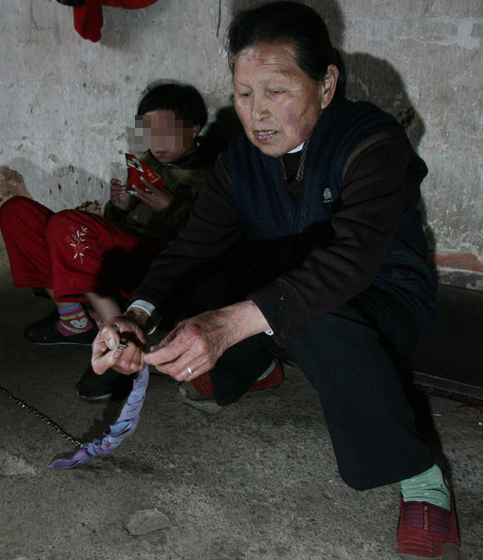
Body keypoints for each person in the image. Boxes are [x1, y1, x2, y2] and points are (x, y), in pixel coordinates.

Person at [90, 2, 459, 559]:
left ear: (327, 83)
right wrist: (136, 315)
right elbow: (193, 244)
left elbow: (351, 263)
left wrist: (228, 324)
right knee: (204, 284)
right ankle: (253, 362)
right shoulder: (241, 159)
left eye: (277, 91)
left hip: (381, 299)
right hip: (284, 286)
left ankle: (420, 472)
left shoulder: (373, 143)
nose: (258, 113)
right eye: (243, 94)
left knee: (308, 317)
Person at [0, 82, 214, 401]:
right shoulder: (148, 163)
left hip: (162, 264)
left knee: (66, 223)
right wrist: (120, 206)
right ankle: (73, 321)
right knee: (17, 211)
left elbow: (213, 237)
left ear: (194, 127)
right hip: (125, 252)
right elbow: (118, 222)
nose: (156, 141)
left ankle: (122, 342)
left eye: (167, 130)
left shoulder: (214, 171)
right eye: (149, 130)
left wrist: (171, 208)